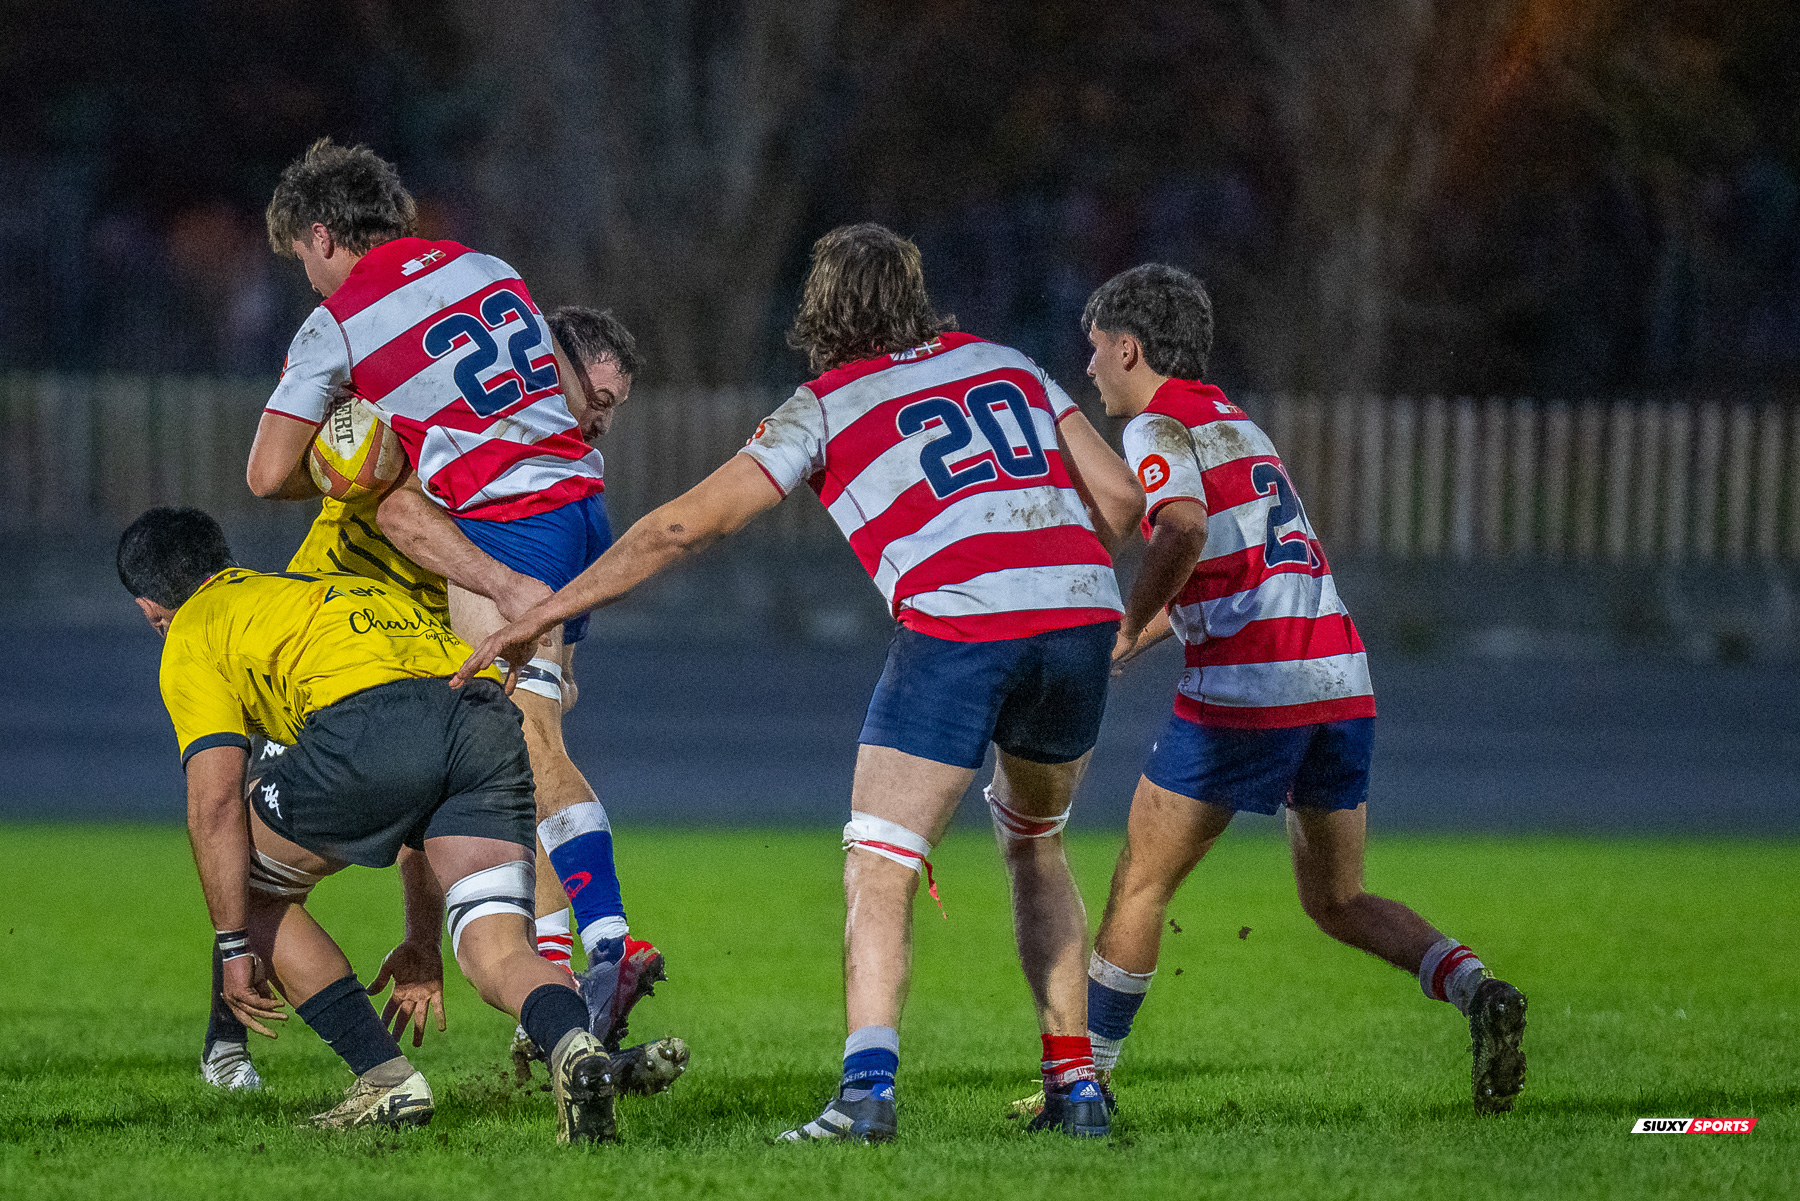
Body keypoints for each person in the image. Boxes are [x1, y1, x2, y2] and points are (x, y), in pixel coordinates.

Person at [453, 223, 1146, 1142]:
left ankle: (866, 1096)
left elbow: (681, 530)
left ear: (822, 308)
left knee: (880, 858)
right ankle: (1077, 1088)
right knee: (1035, 842)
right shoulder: (1006, 360)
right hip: (1079, 610)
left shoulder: (826, 402)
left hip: (963, 619)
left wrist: (544, 611)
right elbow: (1126, 501)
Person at [245, 141, 669, 1076]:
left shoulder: (340, 322)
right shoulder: (489, 267)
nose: (307, 281)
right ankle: (561, 999)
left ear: (322, 236)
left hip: (510, 530)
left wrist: (346, 452)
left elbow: (267, 472)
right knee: (512, 759)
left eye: (302, 260)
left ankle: (607, 945)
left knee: (526, 747)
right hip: (579, 503)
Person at [1076, 264, 1527, 1115]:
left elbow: (1182, 528)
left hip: (1251, 686)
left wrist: (1131, 622)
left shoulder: (1155, 427)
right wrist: (1162, 621)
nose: (1089, 367)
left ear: (1129, 347)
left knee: (1140, 882)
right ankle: (1478, 990)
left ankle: (1085, 1084)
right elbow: (1244, 564)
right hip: (1341, 680)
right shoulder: (1237, 425)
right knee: (1336, 897)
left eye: (1095, 350)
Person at [118, 507, 618, 1142]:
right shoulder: (323, 590)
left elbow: (214, 805)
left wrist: (235, 945)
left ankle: (385, 1080)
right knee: (498, 954)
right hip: (483, 718)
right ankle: (575, 1047)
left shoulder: (194, 629)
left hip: (375, 725)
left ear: (149, 609)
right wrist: (420, 940)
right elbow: (420, 799)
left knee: (248, 886)